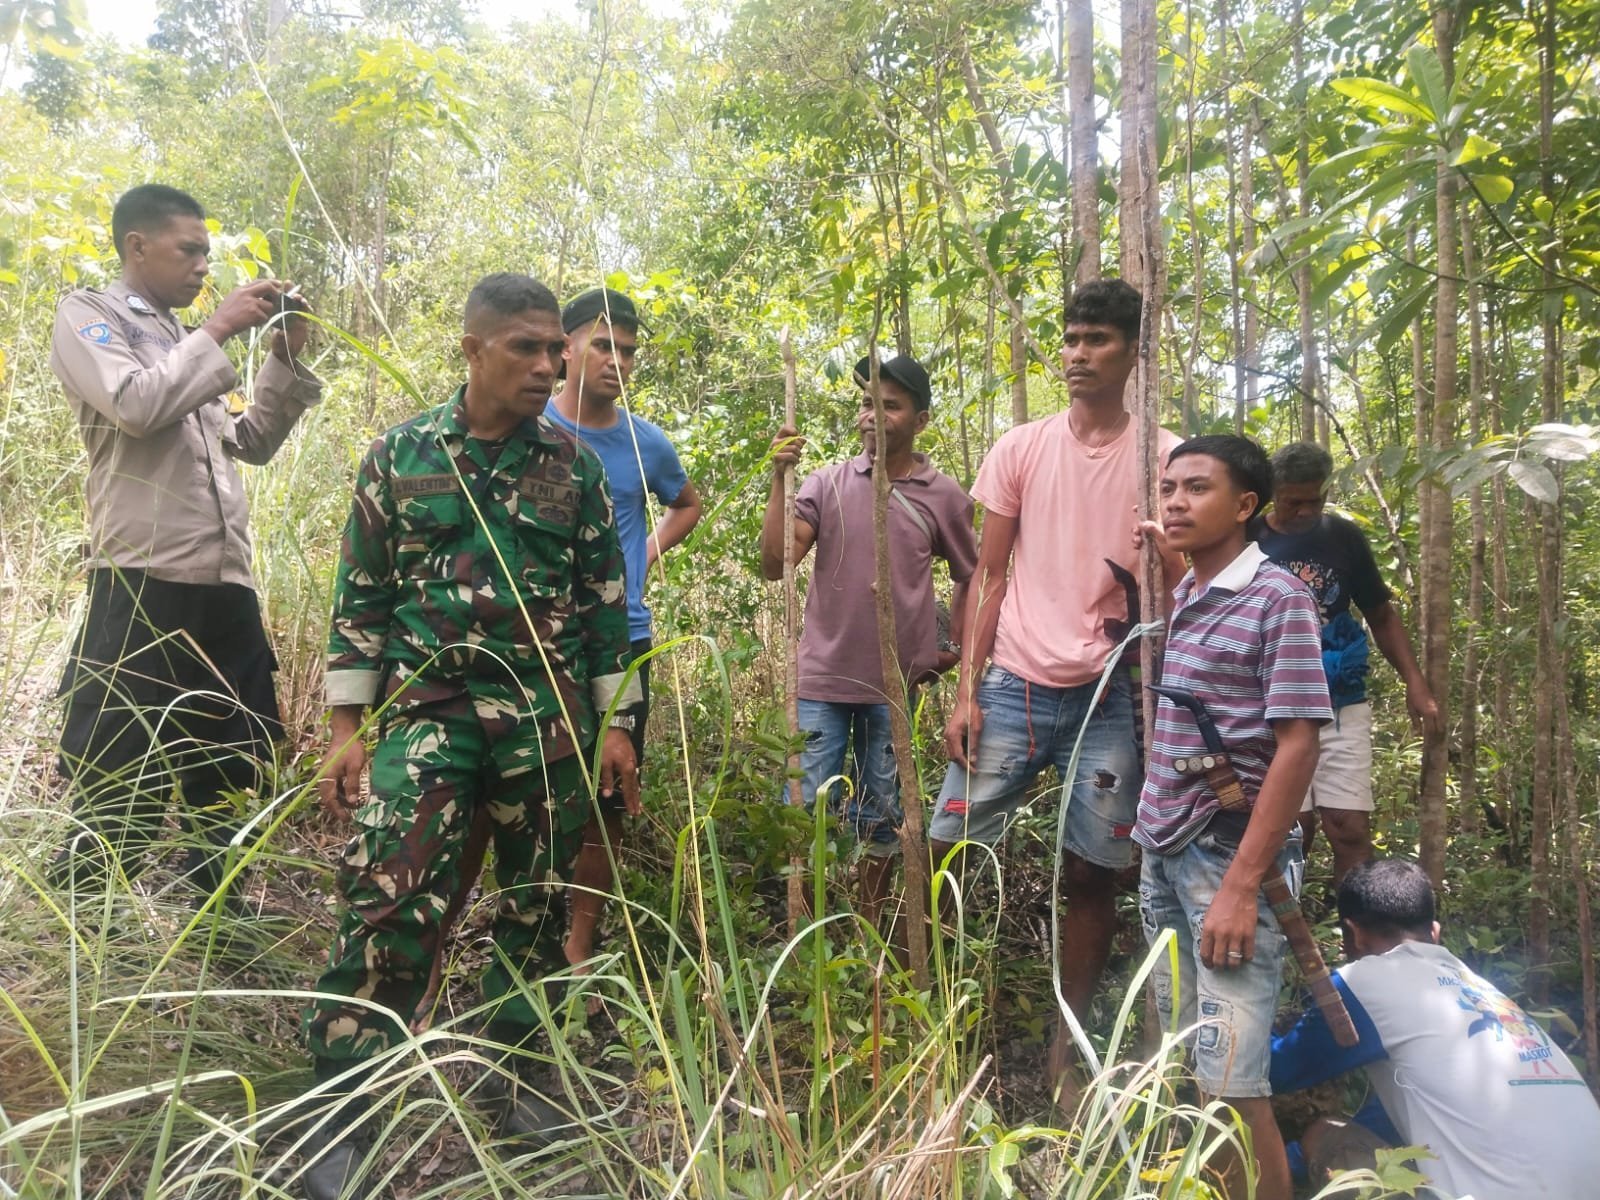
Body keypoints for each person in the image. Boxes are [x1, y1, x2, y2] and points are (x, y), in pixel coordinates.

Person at [299, 274, 640, 1198]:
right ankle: (343, 1103)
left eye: (554, 349)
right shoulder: (401, 454)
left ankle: (519, 1078)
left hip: (545, 723)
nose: (548, 365)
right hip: (428, 716)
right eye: (527, 347)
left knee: (538, 907)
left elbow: (605, 609)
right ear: (473, 350)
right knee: (388, 897)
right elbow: (362, 598)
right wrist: (346, 729)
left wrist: (617, 725)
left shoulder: (574, 470)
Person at [929, 278, 1183, 1101]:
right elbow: (989, 574)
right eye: (1071, 338)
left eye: (1097, 340)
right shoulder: (1021, 448)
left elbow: (1189, 583)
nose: (1078, 354)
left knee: (1093, 873)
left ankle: (1065, 1052)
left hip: (1114, 691)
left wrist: (1166, 550)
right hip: (1015, 683)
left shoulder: (1165, 458)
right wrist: (967, 691)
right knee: (945, 846)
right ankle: (932, 1023)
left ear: (1133, 352)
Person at [48, 183, 320, 898]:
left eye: (207, 253)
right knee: (120, 769)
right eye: (189, 250)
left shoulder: (181, 341)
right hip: (141, 583)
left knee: (234, 761)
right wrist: (221, 328)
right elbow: (136, 405)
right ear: (137, 246)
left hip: (224, 585)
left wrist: (285, 357)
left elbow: (250, 442)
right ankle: (85, 918)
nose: (203, 266)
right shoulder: (91, 316)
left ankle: (216, 915)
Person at [1133, 434, 1331, 1200]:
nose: (1176, 502)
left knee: (1234, 1085)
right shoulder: (1192, 591)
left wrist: (1243, 885)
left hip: (1226, 860)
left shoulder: (1278, 598)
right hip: (1165, 850)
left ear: (1246, 505)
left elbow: (1299, 744)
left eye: (1198, 488)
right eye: (1169, 488)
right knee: (1193, 1061)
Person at [760, 352, 977, 926]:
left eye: (890, 406)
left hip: (893, 688)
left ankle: (871, 928)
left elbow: (972, 577)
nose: (872, 417)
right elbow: (776, 563)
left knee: (883, 815)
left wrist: (952, 651)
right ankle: (805, 933)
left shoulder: (943, 495)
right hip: (821, 682)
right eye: (865, 404)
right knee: (806, 811)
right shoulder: (826, 484)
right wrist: (780, 479)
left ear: (920, 420)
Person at [1271, 859, 1600, 1199]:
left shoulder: (1365, 983)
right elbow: (1392, 1115)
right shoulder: (1480, 989)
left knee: (1324, 1134)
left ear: (1353, 934)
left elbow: (1274, 1069)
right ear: (1435, 931)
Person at [545, 286, 702, 973]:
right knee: (520, 787)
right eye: (605, 345)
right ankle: (521, 921)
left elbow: (686, 503)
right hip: (540, 638)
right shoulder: (532, 425)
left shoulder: (645, 444)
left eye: (629, 352)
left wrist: (641, 559)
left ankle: (579, 946)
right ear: (566, 347)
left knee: (607, 794)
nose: (619, 362)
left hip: (624, 641)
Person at [1253, 442, 1441, 882]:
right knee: (1290, 830)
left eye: (1315, 500)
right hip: (1270, 704)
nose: (1305, 511)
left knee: (1349, 829)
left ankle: (1360, 923)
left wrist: (1415, 683)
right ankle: (1282, 924)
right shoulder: (1246, 536)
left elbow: (1380, 613)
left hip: (1339, 698)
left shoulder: (1343, 538)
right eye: (1293, 501)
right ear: (1273, 493)